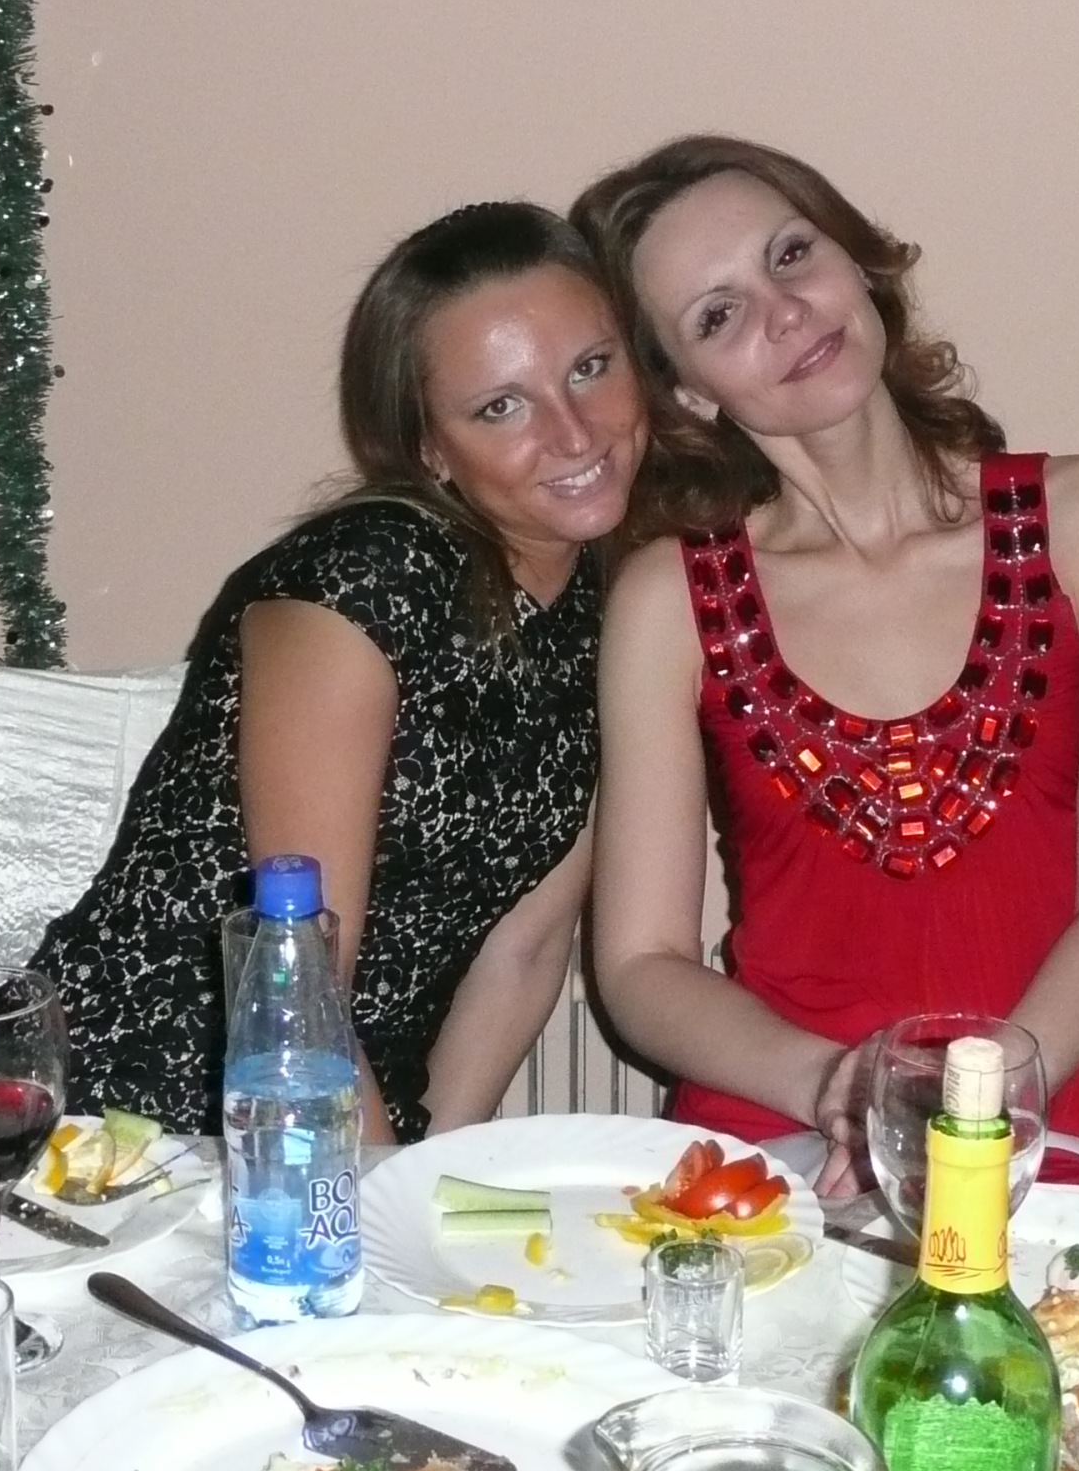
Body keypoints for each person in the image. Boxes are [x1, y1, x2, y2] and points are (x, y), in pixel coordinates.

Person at [571, 137, 1079, 1190]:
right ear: (685, 393)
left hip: (1050, 1118)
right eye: (717, 317)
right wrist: (838, 1089)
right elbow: (637, 963)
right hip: (786, 1135)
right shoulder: (667, 600)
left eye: (791, 255)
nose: (784, 314)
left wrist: (982, 1104)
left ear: (855, 260)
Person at [32, 201, 646, 1142]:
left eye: (591, 368)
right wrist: (372, 1198)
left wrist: (424, 1178)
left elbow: (524, 953)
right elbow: (303, 979)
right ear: (430, 448)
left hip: (352, 1115)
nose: (574, 433)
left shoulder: (613, 605)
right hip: (139, 1117)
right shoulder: (359, 580)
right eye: (501, 406)